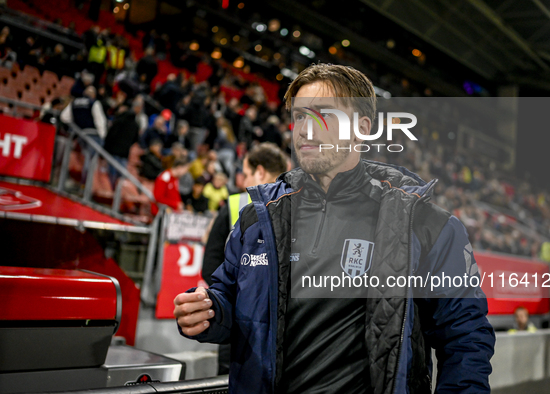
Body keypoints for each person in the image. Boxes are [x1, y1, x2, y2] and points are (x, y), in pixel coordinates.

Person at [174, 64, 495, 393]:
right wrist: (209, 312)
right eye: (299, 116)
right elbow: (230, 299)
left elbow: (465, 337)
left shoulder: (422, 222)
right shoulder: (259, 216)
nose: (305, 129)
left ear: (362, 128)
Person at [201, 142, 288, 376]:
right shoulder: (236, 204)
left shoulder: (291, 208)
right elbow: (211, 265)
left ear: (260, 172)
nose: (244, 182)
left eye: (247, 174)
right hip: (243, 326)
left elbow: (209, 263)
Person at [60, 85, 107, 183]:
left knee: (84, 158)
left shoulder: (75, 102)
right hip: (93, 136)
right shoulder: (94, 103)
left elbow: (64, 117)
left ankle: (80, 183)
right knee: (90, 161)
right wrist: (103, 138)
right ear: (93, 95)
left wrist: (75, 125)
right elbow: (100, 121)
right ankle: (85, 184)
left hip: (81, 134)